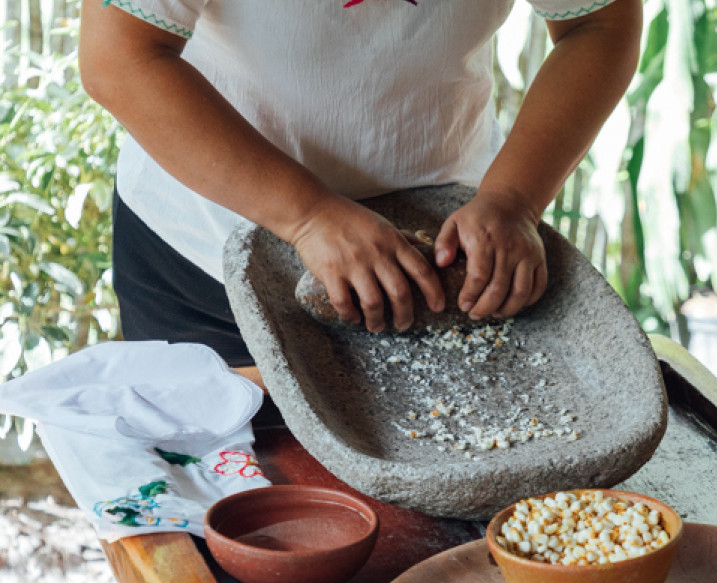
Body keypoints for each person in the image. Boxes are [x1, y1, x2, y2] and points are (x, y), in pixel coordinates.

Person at [78, 0, 642, 387]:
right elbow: (119, 59)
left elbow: (600, 24)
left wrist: (515, 198)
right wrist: (309, 218)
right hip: (205, 245)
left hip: (447, 244)